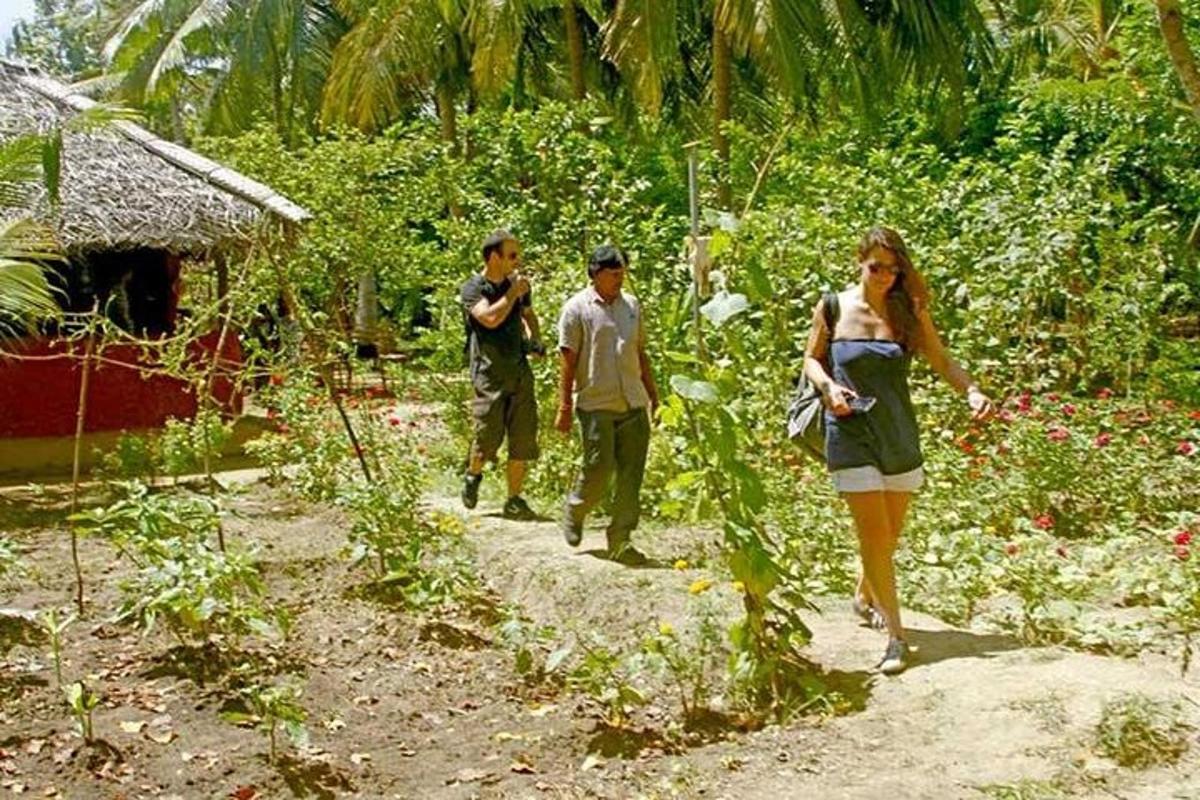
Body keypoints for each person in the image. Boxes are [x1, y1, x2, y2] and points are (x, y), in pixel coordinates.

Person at [803, 226, 994, 675]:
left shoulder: (908, 311)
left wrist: (970, 391)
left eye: (894, 268)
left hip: (898, 433)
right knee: (873, 535)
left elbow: (941, 359)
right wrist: (829, 387)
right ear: (859, 262)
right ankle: (896, 637)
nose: (885, 275)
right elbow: (811, 359)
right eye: (876, 267)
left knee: (888, 536)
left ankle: (864, 593)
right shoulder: (833, 306)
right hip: (849, 431)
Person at [555, 245, 660, 565]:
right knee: (598, 468)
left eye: (622, 274)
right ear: (596, 274)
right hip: (596, 401)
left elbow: (640, 352)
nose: (620, 280)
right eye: (614, 274)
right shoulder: (577, 309)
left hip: (632, 401)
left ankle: (621, 539)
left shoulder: (632, 306)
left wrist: (653, 394)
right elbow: (568, 361)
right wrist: (563, 406)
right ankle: (577, 507)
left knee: (631, 474)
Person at [461, 229, 545, 520]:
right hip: (489, 374)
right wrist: (512, 293)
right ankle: (473, 475)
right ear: (494, 257)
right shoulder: (473, 288)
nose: (516, 260)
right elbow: (490, 318)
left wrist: (535, 339)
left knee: (523, 437)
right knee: (487, 437)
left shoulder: (520, 287)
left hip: (519, 370)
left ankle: (514, 499)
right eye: (511, 255)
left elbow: (528, 315)